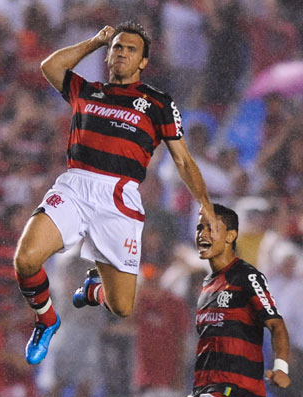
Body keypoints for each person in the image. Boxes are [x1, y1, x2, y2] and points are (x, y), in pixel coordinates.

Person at [13, 21, 215, 365]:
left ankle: (92, 289)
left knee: (122, 306)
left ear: (143, 62)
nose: (121, 52)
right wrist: (94, 41)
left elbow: (182, 159)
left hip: (119, 197)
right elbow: (50, 67)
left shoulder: (158, 104)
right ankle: (47, 318)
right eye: (117, 47)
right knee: (26, 259)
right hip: (76, 184)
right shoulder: (86, 90)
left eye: (130, 49)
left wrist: (206, 206)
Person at [164, 204, 291, 397]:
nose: (202, 234)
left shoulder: (247, 277)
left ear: (230, 237)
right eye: (200, 228)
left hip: (233, 389)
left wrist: (281, 367)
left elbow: (276, 324)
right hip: (204, 387)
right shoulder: (207, 285)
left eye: (211, 229)